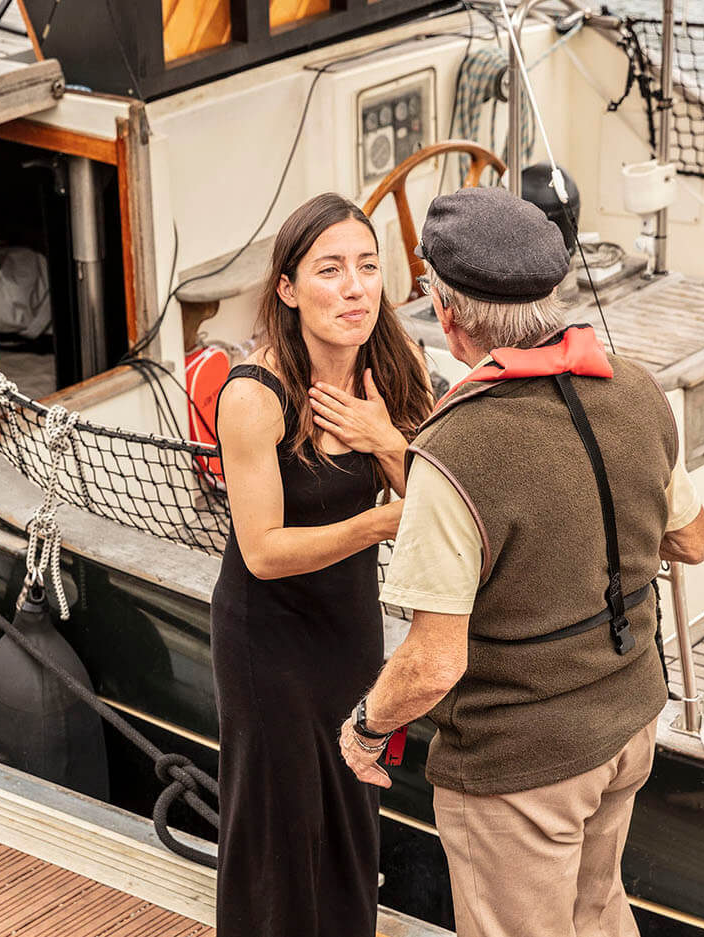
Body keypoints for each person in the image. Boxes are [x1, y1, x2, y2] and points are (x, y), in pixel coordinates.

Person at [338, 187, 704, 937]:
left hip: (521, 768)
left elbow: (434, 664)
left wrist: (365, 728)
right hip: (628, 723)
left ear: (447, 313)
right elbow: (693, 540)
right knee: (598, 911)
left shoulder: (453, 449)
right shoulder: (637, 390)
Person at [211, 192, 433, 937]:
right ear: (288, 288)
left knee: (349, 809)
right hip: (267, 638)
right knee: (281, 823)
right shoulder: (255, 394)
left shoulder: (395, 367)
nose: (354, 288)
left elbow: (440, 499)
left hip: (349, 629)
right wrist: (376, 523)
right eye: (330, 270)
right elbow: (263, 550)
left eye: (368, 267)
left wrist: (385, 439)